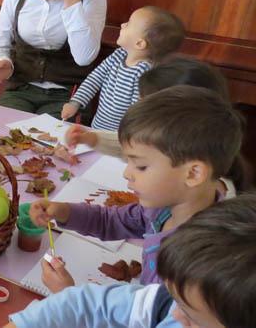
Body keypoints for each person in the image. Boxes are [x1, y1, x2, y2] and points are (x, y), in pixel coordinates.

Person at [29, 86, 246, 293]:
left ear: (193, 174)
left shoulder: (196, 268)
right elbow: (111, 220)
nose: (127, 173)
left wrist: (68, 296)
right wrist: (63, 211)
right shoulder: (164, 209)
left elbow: (152, 315)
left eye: (141, 166)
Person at [4, 193, 256, 328]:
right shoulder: (171, 303)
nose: (176, 315)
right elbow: (89, 304)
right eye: (177, 301)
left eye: (193, 319)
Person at [64, 56, 249, 199]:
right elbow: (140, 149)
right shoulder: (185, 147)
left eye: (142, 167)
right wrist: (93, 138)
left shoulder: (209, 196)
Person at [61, 6, 186, 129]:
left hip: (120, 136)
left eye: (129, 24)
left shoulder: (144, 73)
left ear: (139, 43)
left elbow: (137, 113)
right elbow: (94, 79)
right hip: (98, 128)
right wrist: (75, 102)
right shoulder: (118, 55)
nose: (122, 25)